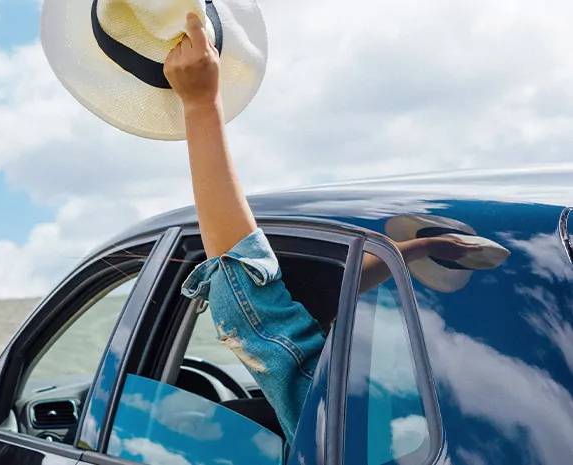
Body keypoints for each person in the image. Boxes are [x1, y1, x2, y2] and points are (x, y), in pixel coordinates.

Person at [163, 12, 481, 447]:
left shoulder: (337, 415)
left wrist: (200, 106)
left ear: (321, 324)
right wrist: (418, 246)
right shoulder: (460, 403)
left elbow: (248, 297)